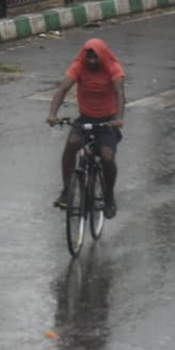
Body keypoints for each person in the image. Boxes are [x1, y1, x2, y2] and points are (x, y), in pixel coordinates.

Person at [46, 38, 126, 217]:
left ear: (102, 57)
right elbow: (63, 89)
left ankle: (109, 196)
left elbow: (119, 93)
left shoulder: (113, 68)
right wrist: (52, 113)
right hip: (85, 119)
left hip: (107, 122)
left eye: (95, 58)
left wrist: (119, 118)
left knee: (107, 157)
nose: (91, 62)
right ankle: (67, 191)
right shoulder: (79, 66)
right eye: (88, 58)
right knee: (72, 144)